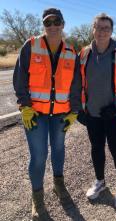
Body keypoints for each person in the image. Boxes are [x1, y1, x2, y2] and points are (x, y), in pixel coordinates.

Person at [13, 8, 81, 220]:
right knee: (39, 156)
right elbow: (19, 78)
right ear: (44, 25)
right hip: (35, 114)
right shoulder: (31, 46)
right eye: (47, 22)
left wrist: (74, 111)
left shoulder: (71, 51)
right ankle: (37, 197)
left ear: (63, 24)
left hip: (61, 113)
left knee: (59, 149)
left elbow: (76, 85)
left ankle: (58, 186)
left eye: (56, 21)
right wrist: (25, 106)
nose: (52, 26)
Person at [78, 13, 116, 209]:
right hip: (92, 113)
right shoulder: (84, 53)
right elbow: (78, 82)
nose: (102, 31)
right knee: (96, 148)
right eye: (98, 27)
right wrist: (79, 108)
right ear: (92, 29)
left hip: (115, 114)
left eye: (106, 28)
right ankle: (100, 182)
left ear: (111, 31)